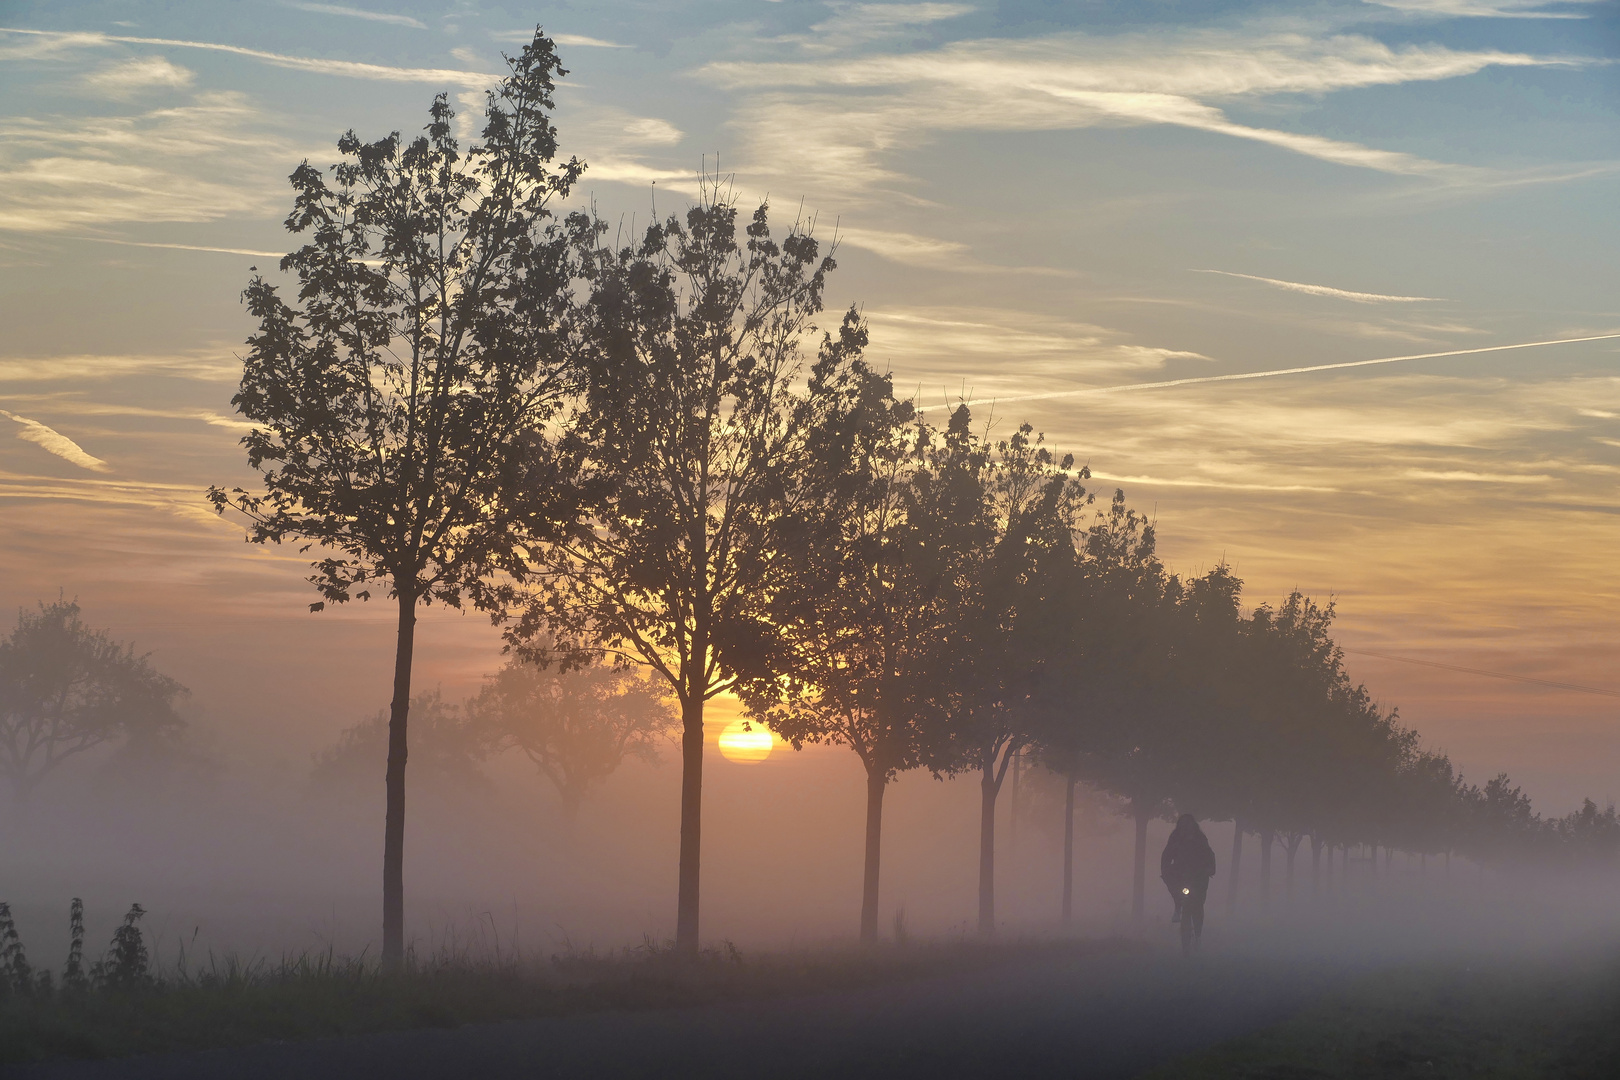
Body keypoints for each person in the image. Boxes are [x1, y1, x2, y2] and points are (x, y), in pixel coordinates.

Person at [1160, 814, 1217, 954]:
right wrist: (1166, 869)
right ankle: (1178, 906)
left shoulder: (1200, 838)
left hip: (1199, 876)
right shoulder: (1175, 838)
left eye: (1189, 824)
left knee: (1198, 906)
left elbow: (1209, 854)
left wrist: (1209, 869)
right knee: (1174, 888)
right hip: (1181, 875)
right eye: (1184, 825)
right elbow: (1167, 855)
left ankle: (1198, 936)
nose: (1186, 828)